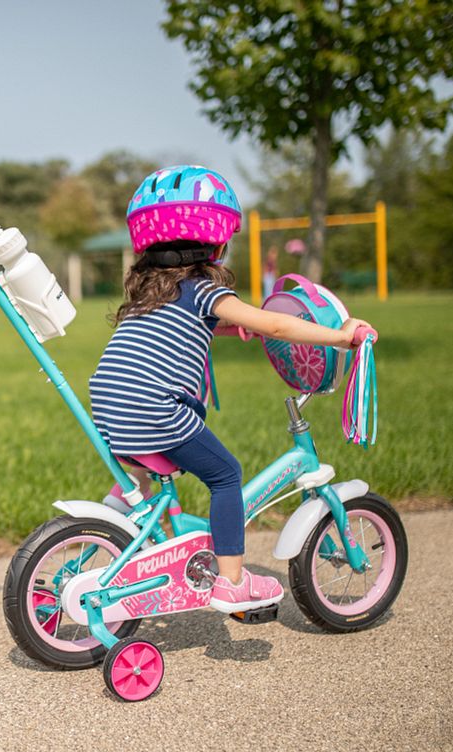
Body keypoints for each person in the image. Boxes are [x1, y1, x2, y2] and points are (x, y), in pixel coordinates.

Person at [90, 166, 369, 613]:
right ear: (217, 242)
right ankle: (232, 582)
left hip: (109, 407)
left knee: (141, 476)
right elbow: (275, 321)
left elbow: (177, 332)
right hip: (156, 409)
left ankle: (105, 525)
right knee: (226, 475)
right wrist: (341, 336)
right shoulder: (203, 290)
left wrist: (227, 330)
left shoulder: (149, 293)